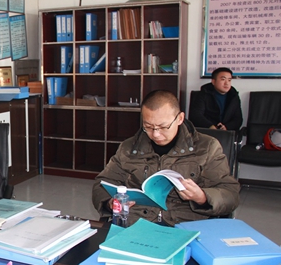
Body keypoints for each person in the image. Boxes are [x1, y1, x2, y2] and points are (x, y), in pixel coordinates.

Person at [92, 90, 240, 226]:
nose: (155, 134)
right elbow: (103, 183)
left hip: (185, 224)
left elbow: (230, 194)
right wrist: (110, 202)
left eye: (163, 127)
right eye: (148, 126)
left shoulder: (207, 147)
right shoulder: (129, 147)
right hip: (137, 223)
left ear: (180, 118)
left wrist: (202, 197)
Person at [189, 67, 242, 131]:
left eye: (229, 80)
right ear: (213, 81)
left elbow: (238, 119)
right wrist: (210, 126)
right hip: (206, 131)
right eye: (223, 79)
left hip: (227, 133)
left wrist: (226, 127)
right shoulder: (203, 94)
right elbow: (196, 115)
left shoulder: (234, 96)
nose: (227, 83)